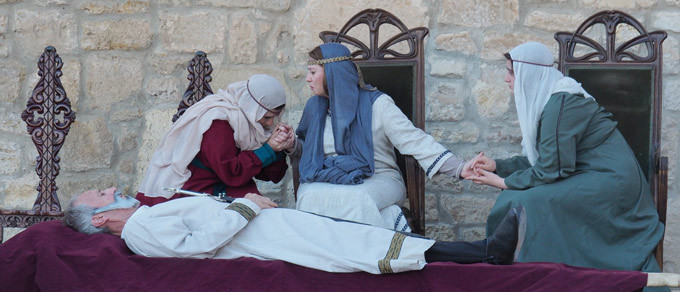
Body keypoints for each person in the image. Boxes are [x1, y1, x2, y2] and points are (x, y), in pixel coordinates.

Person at [467, 42, 665, 278]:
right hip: (587, 175)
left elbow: (552, 169)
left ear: (530, 74)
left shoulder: (561, 104)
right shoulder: (551, 102)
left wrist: (502, 182)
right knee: (518, 197)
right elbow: (548, 159)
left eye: (511, 71)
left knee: (529, 201)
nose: (506, 78)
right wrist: (499, 166)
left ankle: (541, 276)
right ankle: (527, 274)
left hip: (612, 184)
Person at [64, 187, 524, 274]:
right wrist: (245, 206)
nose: (112, 188)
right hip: (271, 240)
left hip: (274, 225)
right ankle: (484, 253)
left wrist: (243, 204)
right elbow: (199, 246)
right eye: (100, 195)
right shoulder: (139, 232)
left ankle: (482, 251)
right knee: (371, 245)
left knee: (372, 236)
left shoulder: (146, 215)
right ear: (100, 219)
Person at [285, 43, 474, 231]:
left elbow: (414, 140)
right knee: (308, 196)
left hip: (380, 177)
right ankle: (323, 259)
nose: (308, 79)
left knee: (358, 199)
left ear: (332, 73)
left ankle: (363, 258)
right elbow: (310, 152)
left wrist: (459, 167)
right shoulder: (314, 107)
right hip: (328, 177)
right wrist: (292, 145)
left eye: (312, 72)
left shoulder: (378, 105)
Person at [136, 74, 295, 206]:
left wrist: (279, 147)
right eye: (267, 117)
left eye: (274, 118)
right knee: (256, 215)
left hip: (228, 183)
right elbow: (231, 172)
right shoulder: (218, 122)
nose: (269, 123)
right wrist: (269, 149)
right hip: (197, 189)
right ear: (253, 107)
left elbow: (271, 176)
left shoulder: (248, 120)